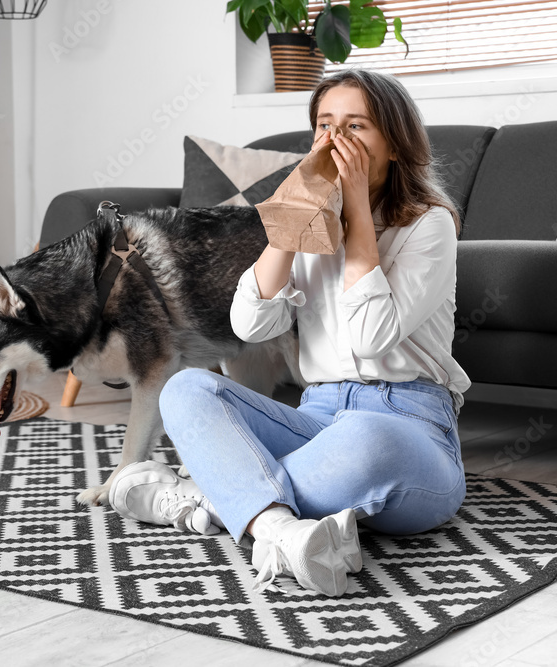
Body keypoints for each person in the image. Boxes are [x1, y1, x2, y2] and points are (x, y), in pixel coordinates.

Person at [107, 69, 472, 598]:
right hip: (317, 417)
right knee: (186, 388)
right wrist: (289, 223)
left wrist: (357, 219)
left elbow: (372, 339)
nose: (336, 141)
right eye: (325, 125)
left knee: (367, 439)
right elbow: (249, 324)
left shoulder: (428, 224)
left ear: (394, 143)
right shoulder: (311, 224)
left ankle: (200, 499)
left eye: (356, 127)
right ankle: (280, 530)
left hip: (408, 425)